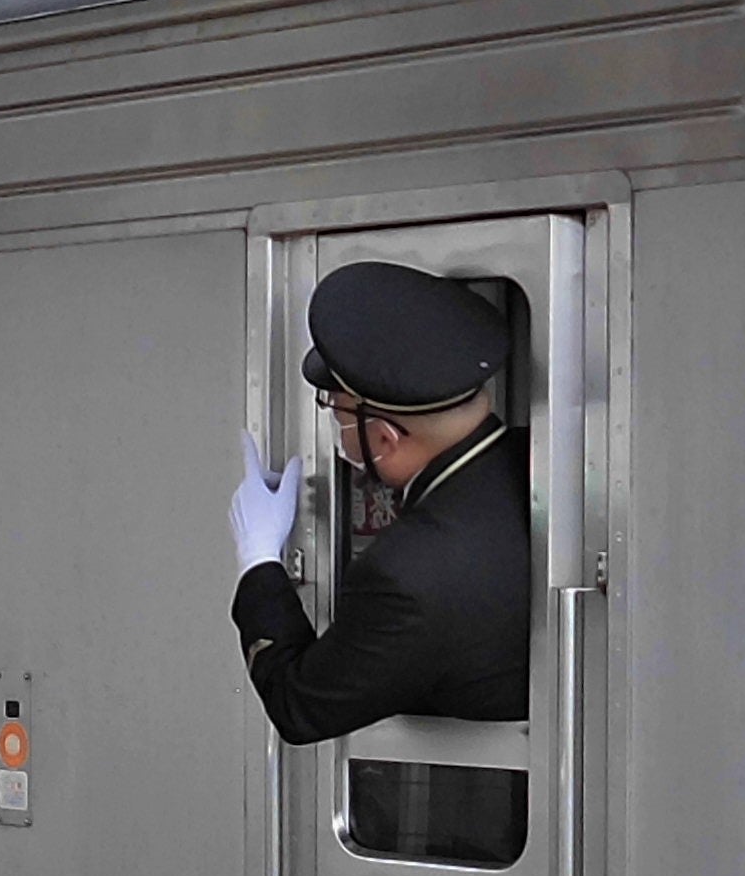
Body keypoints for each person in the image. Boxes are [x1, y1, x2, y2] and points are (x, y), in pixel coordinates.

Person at [223, 261, 531, 741]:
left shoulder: (405, 576)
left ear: (385, 437)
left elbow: (300, 706)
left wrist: (258, 561)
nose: (339, 432)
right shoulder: (531, 465)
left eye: (338, 415)